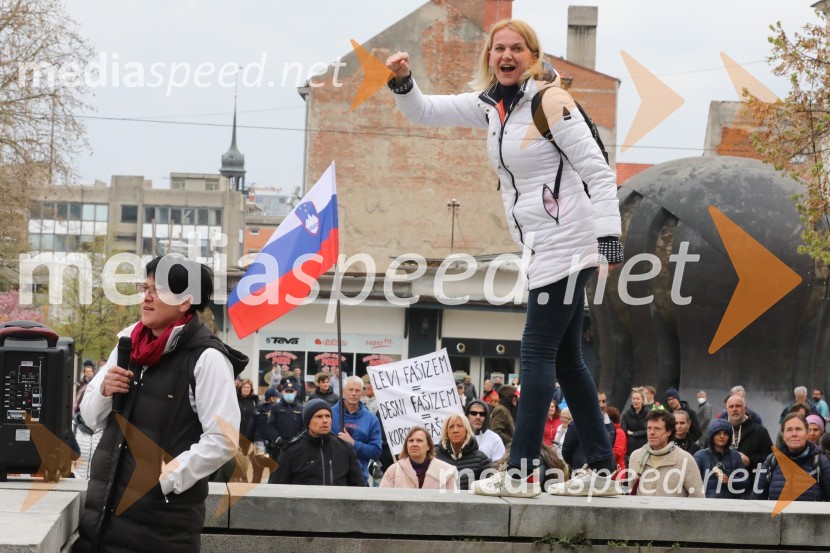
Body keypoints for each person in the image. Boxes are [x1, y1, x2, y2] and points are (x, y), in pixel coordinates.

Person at [386, 18, 622, 499]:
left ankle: (520, 473)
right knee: (568, 361)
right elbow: (426, 111)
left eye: (517, 48)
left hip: (566, 242)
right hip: (541, 244)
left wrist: (609, 243)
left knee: (535, 352)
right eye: (499, 49)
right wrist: (403, 82)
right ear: (489, 57)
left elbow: (598, 171)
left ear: (532, 55)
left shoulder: (550, 102)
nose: (507, 55)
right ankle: (600, 468)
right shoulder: (493, 105)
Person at [77, 256, 247, 553]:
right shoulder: (128, 344)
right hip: (101, 524)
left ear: (185, 302)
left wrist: (168, 477)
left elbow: (224, 439)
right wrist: (104, 391)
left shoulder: (207, 358)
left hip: (162, 532)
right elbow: (90, 418)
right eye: (146, 287)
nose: (147, 297)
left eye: (158, 290)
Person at [270, 399, 366, 486]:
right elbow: (276, 488)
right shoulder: (291, 451)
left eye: (328, 416)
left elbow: (358, 485)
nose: (325, 421)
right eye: (319, 416)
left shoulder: (344, 448)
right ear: (308, 421)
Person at [752, 413, 830, 501]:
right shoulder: (771, 461)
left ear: (807, 433)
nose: (794, 434)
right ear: (783, 435)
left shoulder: (821, 463)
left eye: (799, 429)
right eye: (789, 430)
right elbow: (757, 500)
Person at [627, 410, 704, 498]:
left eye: (657, 429)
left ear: (669, 432)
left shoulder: (685, 459)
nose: (651, 432)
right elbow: (631, 495)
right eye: (649, 428)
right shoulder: (636, 456)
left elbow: (698, 497)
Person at [331, 376, 383, 483]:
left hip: (359, 478)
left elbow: (376, 451)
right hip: (331, 477)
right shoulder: (329, 415)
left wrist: (353, 443)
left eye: (357, 390)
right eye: (350, 390)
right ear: (343, 391)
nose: (354, 393)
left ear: (362, 393)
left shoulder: (371, 419)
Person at [379, 427, 457, 490]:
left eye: (419, 441)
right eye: (411, 441)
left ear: (428, 446)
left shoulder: (445, 471)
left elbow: (453, 503)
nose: (414, 444)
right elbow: (382, 501)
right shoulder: (394, 471)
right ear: (406, 445)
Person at [724, 393, 773, 495]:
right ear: (726, 409)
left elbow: (771, 459)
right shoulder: (719, 431)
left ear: (745, 409)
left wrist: (750, 461)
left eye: (738, 406)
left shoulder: (760, 431)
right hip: (723, 488)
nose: (734, 409)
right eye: (731, 406)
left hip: (750, 488)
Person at [434, 414, 492, 491]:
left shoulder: (481, 459)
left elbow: (490, 488)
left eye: (459, 426)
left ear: (466, 430)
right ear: (446, 431)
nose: (455, 430)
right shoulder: (435, 455)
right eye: (451, 427)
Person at [693, 419, 747, 499]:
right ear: (711, 435)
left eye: (725, 433)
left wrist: (730, 480)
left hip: (731, 505)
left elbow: (745, 481)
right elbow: (693, 482)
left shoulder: (735, 455)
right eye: (718, 433)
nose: (722, 436)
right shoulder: (700, 456)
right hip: (707, 505)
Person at [266, 379, 304, 459]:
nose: (289, 393)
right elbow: (270, 425)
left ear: (295, 393)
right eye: (287, 391)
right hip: (279, 446)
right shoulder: (275, 407)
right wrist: (278, 439)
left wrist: (296, 439)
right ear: (282, 392)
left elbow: (304, 427)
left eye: (291, 391)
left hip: (296, 446)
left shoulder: (301, 408)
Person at [248, 387, 279, 484]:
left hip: (266, 442)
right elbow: (252, 426)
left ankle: (265, 489)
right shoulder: (262, 409)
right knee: (265, 468)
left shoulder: (260, 408)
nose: (276, 399)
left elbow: (251, 426)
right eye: (274, 397)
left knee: (265, 469)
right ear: (270, 398)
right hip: (265, 441)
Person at [621, 388, 647, 466]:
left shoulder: (648, 413)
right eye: (634, 399)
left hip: (644, 448)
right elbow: (623, 430)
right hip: (630, 449)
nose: (635, 401)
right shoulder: (626, 414)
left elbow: (648, 430)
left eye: (638, 399)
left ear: (642, 400)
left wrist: (633, 433)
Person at [237, 379, 258, 457]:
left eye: (248, 387)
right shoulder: (235, 399)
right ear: (240, 388)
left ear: (251, 389)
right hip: (237, 434)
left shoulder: (254, 401)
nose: (246, 389)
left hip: (250, 436)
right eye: (244, 387)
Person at [606, 406, 627, 480]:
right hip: (610, 473)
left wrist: (604, 461)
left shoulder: (619, 432)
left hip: (617, 474)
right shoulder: (611, 431)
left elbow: (617, 452)